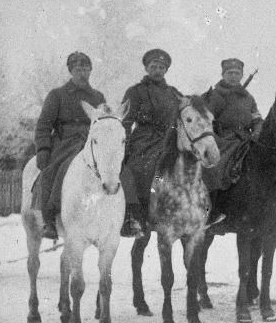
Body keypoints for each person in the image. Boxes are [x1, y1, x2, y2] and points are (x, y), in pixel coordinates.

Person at [34, 52, 107, 239]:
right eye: (77, 69)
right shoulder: (57, 95)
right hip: (65, 143)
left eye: (85, 68)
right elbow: (43, 125)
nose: (82, 72)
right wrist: (43, 149)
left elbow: (105, 123)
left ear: (90, 70)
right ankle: (49, 220)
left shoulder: (98, 96)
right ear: (70, 71)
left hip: (91, 142)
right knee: (52, 171)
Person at [121, 48, 183, 237]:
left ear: (166, 70)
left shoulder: (174, 94)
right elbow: (126, 120)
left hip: (169, 139)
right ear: (147, 68)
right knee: (141, 169)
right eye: (154, 66)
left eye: (161, 67)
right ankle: (137, 215)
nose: (157, 70)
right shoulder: (136, 91)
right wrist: (124, 143)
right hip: (144, 139)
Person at [201, 58, 262, 192]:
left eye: (237, 73)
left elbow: (257, 120)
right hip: (222, 140)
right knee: (218, 170)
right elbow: (203, 121)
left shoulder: (248, 98)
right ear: (223, 75)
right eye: (230, 73)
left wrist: (257, 132)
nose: (233, 76)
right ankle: (215, 202)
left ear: (241, 76)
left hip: (246, 140)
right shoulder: (213, 95)